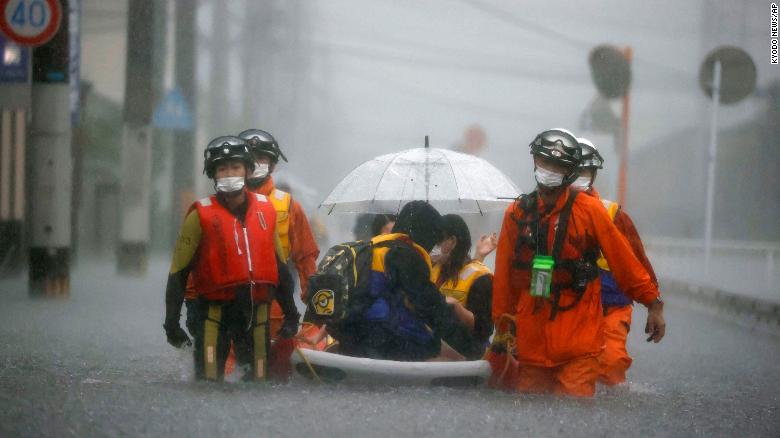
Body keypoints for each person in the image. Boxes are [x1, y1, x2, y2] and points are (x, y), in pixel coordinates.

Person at [492, 128, 666, 397]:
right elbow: (504, 276)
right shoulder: (516, 214)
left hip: (579, 337)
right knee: (530, 411)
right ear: (535, 162)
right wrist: (502, 328)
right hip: (532, 339)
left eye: (557, 165)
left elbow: (625, 262)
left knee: (574, 411)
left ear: (569, 171)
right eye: (545, 161)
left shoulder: (591, 211)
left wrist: (653, 303)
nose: (549, 169)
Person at [163, 136, 299, 381]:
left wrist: (291, 314)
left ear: (247, 170)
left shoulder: (266, 210)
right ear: (213, 174)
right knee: (209, 383)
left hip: (256, 316)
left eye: (235, 167)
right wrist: (171, 323)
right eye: (222, 169)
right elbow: (178, 273)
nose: (229, 174)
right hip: (214, 316)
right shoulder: (200, 215)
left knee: (259, 384)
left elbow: (280, 267)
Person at [337, 201, 483, 361]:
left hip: (350, 333)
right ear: (426, 232)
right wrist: (472, 349)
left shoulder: (375, 246)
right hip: (381, 338)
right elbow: (433, 309)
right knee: (443, 352)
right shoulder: (406, 256)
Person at [573, 137, 660, 386]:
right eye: (574, 170)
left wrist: (654, 305)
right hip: (568, 310)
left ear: (592, 174)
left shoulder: (612, 214)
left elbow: (638, 263)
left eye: (584, 170)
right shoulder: (545, 212)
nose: (578, 176)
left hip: (612, 307)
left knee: (610, 364)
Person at [238, 129, 320, 337]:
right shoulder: (219, 206)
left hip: (276, 313)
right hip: (229, 310)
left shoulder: (288, 205)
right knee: (225, 367)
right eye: (249, 157)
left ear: (272, 164)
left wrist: (313, 308)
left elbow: (306, 258)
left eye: (261, 157)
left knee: (273, 368)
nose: (255, 162)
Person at [430, 214, 497, 353]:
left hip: (465, 353)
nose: (433, 247)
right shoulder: (433, 268)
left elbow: (484, 330)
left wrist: (456, 308)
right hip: (435, 346)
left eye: (437, 241)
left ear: (453, 241)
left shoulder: (480, 278)